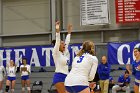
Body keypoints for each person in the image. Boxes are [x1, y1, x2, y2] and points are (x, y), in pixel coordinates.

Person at [52, 21, 72, 93]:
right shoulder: (56, 53)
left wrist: (69, 32)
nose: (64, 44)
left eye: (64, 43)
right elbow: (57, 40)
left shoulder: (65, 53)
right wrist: (57, 28)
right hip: (59, 77)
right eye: (62, 43)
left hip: (67, 76)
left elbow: (67, 41)